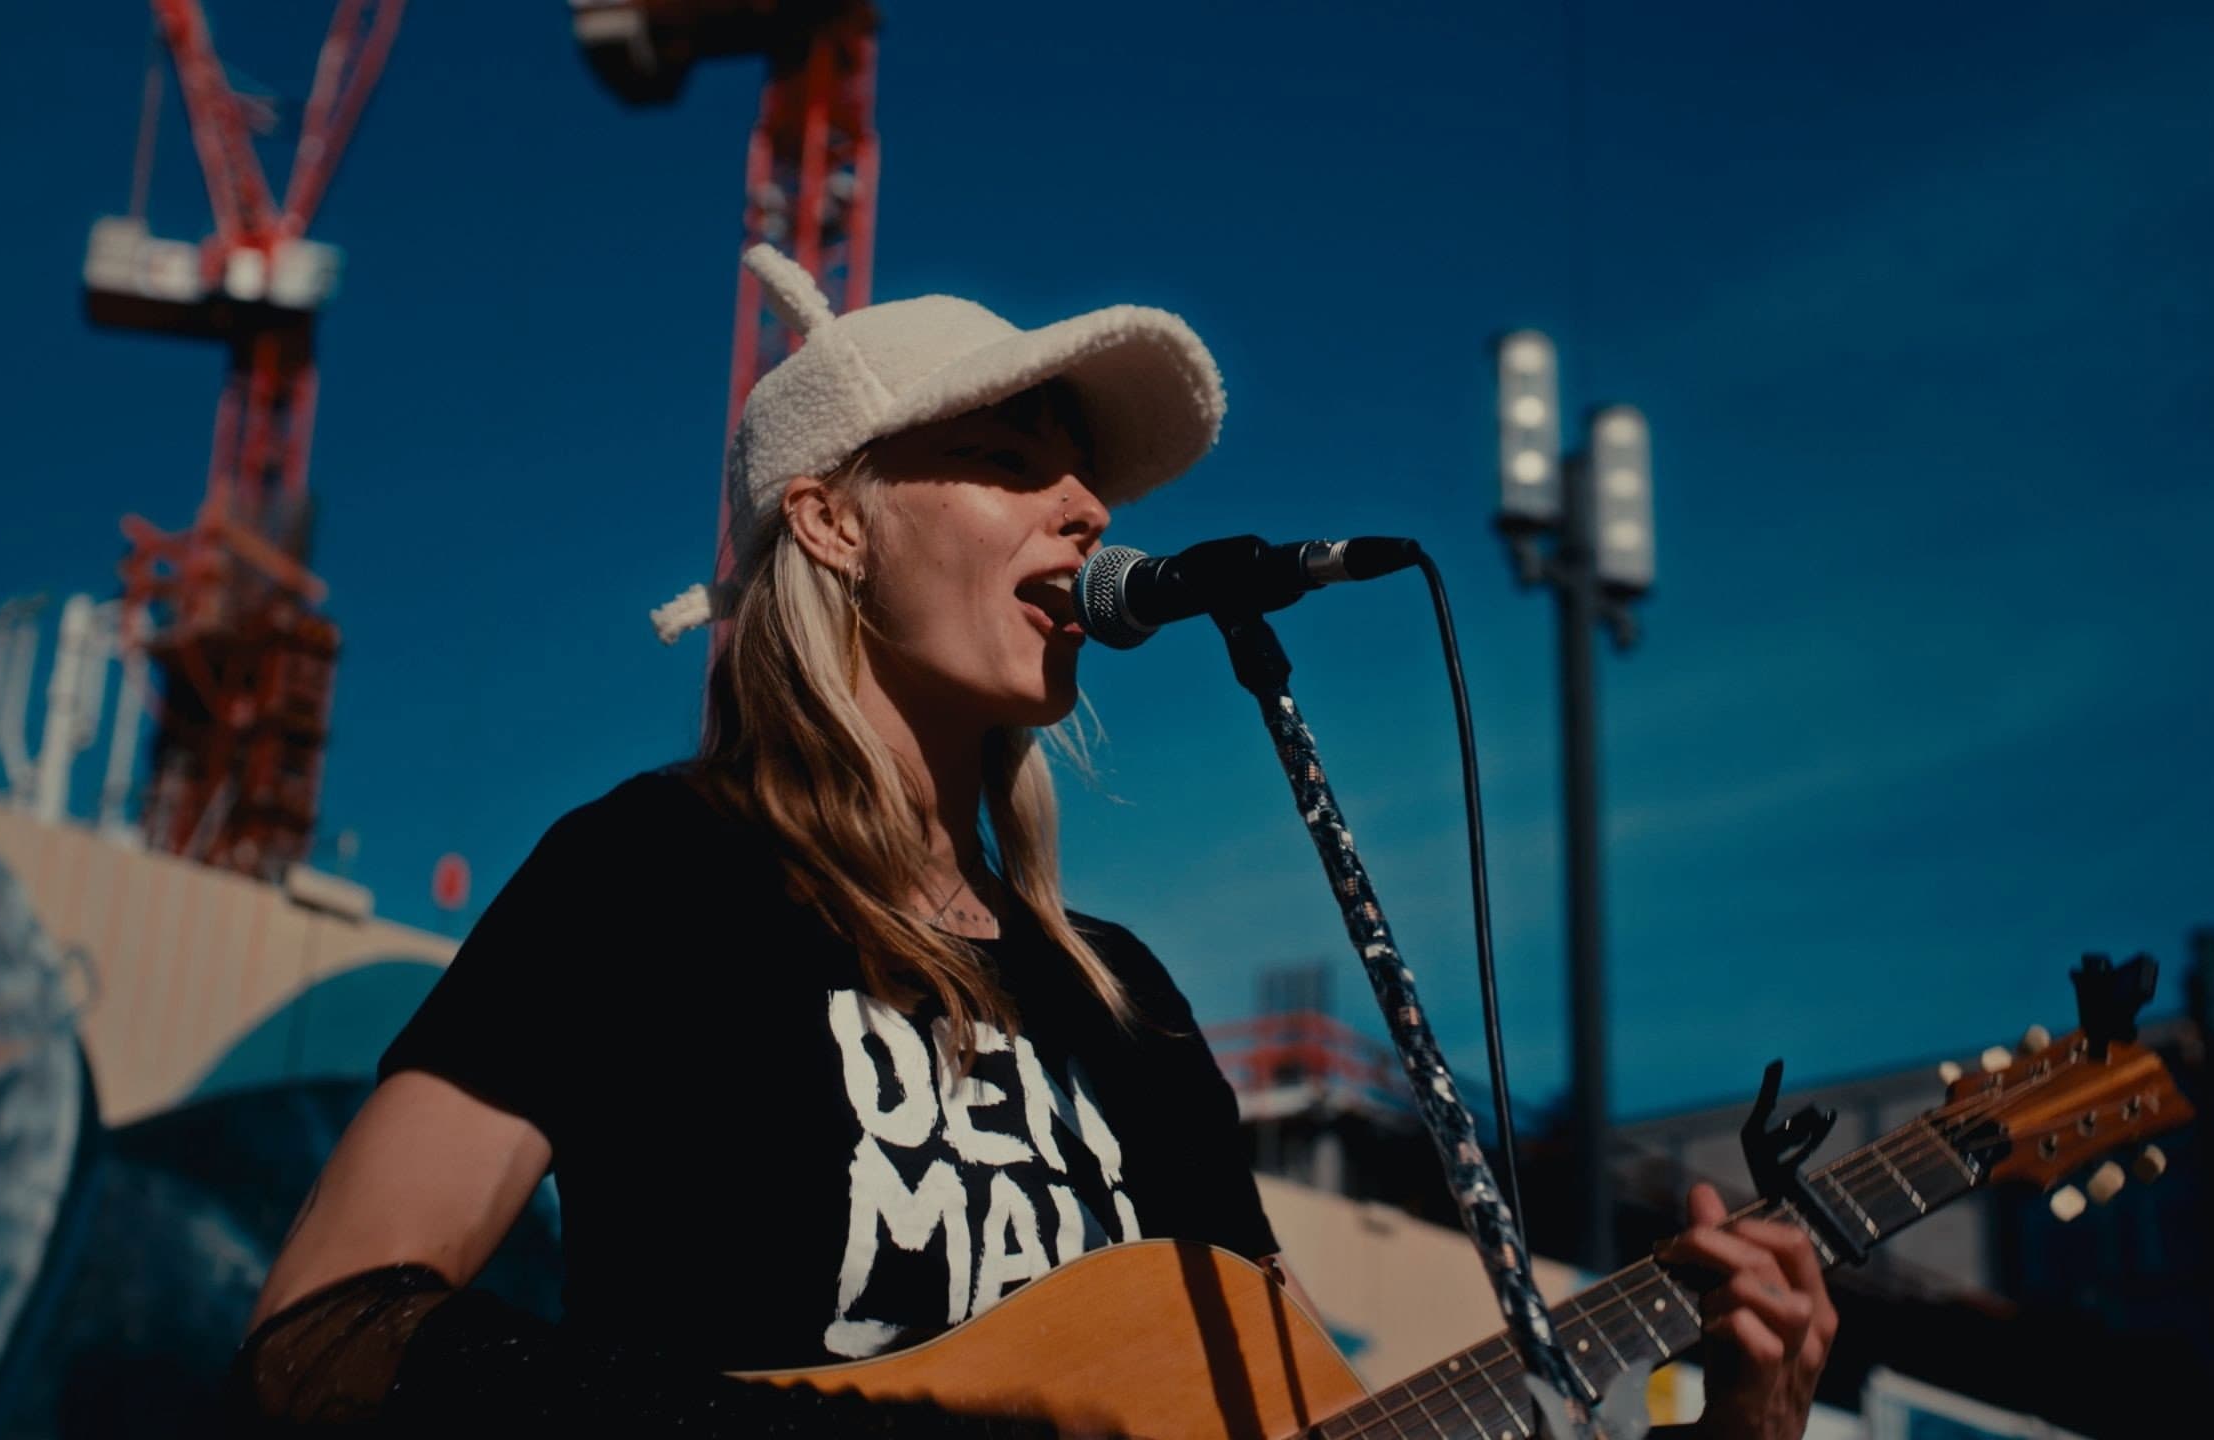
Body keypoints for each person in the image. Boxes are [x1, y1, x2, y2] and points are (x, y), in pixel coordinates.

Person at [229, 247, 1836, 1438]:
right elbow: (322, 1336)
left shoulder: (1128, 1003)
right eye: (1011, 462)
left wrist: (1741, 1424)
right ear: (830, 518)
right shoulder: (646, 876)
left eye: (1086, 476)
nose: (1084, 508)